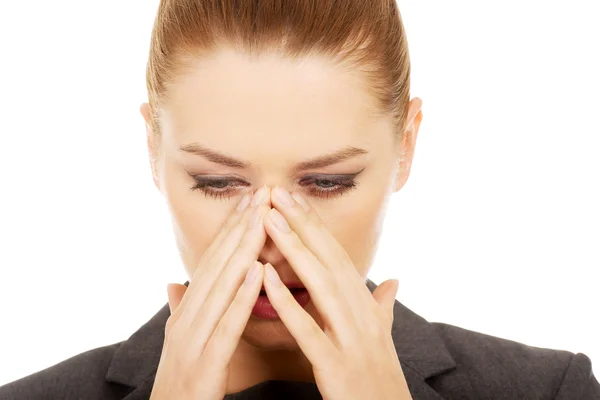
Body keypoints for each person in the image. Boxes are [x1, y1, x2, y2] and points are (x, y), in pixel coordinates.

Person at [1, 0, 598, 399]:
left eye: (327, 183)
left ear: (406, 147)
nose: (269, 239)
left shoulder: (551, 390)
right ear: (154, 150)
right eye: (217, 182)